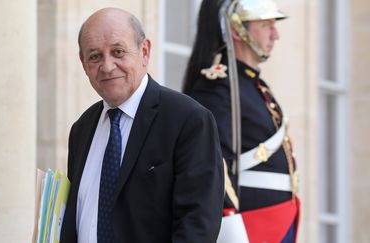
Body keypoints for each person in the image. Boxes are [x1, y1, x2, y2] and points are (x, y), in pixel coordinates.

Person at [60, 7, 224, 243]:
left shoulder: (188, 120)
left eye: (118, 51)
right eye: (95, 56)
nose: (107, 66)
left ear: (144, 51)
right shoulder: (82, 129)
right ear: (83, 63)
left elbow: (197, 226)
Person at [183, 0, 300, 242]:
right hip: (250, 223)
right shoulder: (219, 85)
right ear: (237, 30)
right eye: (266, 24)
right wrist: (230, 223)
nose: (275, 34)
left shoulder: (254, 86)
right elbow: (215, 161)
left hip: (278, 219)